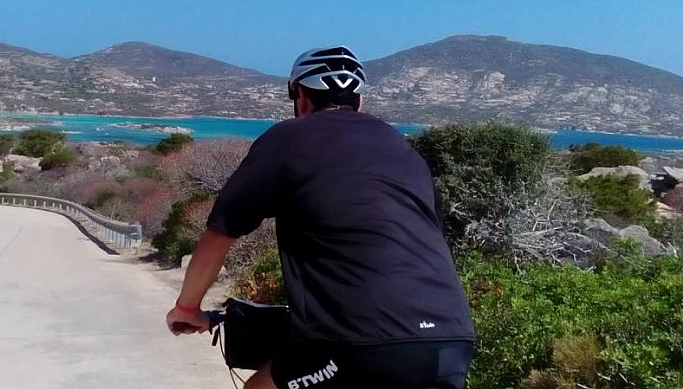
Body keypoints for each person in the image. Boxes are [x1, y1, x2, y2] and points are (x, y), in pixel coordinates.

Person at [165, 46, 475, 389]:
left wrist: (187, 309)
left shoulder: (289, 138)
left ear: (301, 98)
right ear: (359, 100)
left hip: (357, 344)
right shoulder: (404, 150)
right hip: (452, 342)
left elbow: (219, 235)